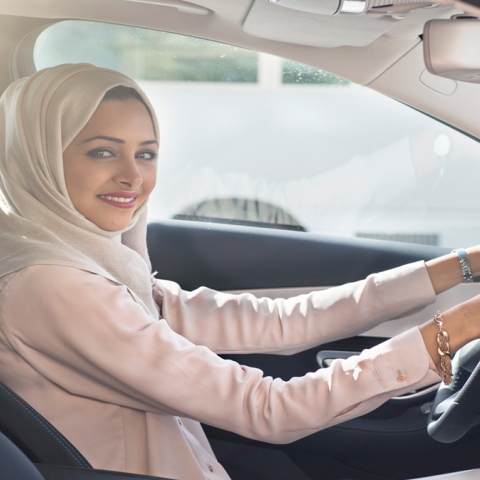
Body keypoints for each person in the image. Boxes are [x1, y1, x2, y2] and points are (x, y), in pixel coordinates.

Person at [0, 63, 479, 480]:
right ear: (38, 157)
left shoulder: (88, 269)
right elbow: (267, 408)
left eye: (145, 153)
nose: (133, 176)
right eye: (102, 151)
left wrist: (462, 266)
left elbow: (281, 321)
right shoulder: (55, 286)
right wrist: (456, 329)